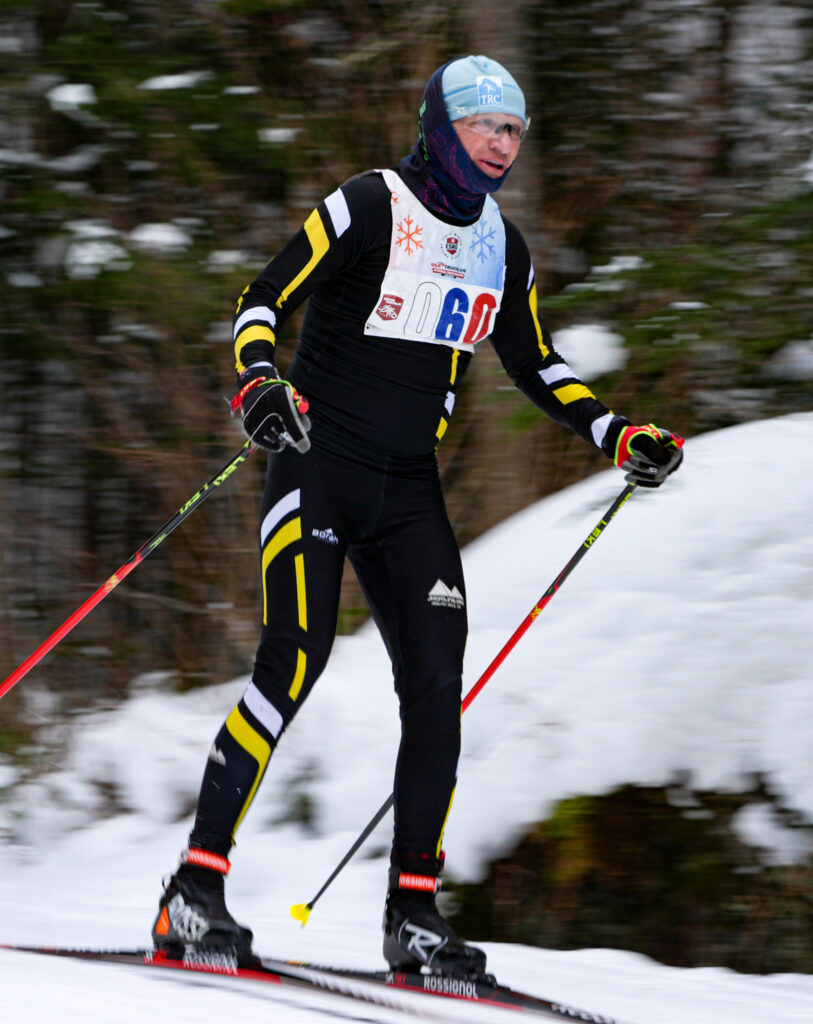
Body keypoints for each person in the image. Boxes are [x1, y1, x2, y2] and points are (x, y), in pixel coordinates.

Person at [152, 55, 683, 979]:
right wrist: (260, 383)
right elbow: (261, 299)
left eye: (514, 131)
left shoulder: (502, 248)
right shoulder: (368, 204)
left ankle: (414, 915)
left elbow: (535, 361)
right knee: (294, 660)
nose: (500, 144)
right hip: (315, 468)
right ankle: (193, 894)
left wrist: (617, 431)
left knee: (438, 690)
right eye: (484, 124)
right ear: (441, 126)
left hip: (409, 489)